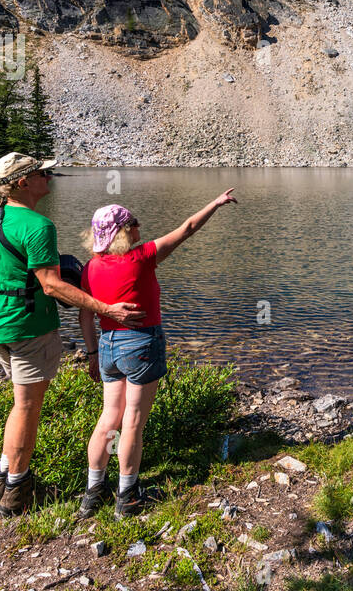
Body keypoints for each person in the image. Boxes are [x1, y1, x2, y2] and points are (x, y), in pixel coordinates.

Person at [0, 152, 146, 517]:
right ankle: (17, 488)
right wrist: (106, 309)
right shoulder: (37, 226)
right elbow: (51, 286)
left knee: (19, 405)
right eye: (42, 174)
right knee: (27, 408)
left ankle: (1, 479)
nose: (50, 177)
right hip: (29, 328)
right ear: (22, 182)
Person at [76, 189, 237, 519]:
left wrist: (92, 353)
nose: (139, 227)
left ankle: (93, 493)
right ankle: (128, 495)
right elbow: (188, 228)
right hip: (140, 345)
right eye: (133, 223)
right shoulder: (143, 257)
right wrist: (215, 203)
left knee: (110, 417)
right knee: (133, 420)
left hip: (107, 345)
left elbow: (84, 315)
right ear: (123, 231)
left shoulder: (90, 267)